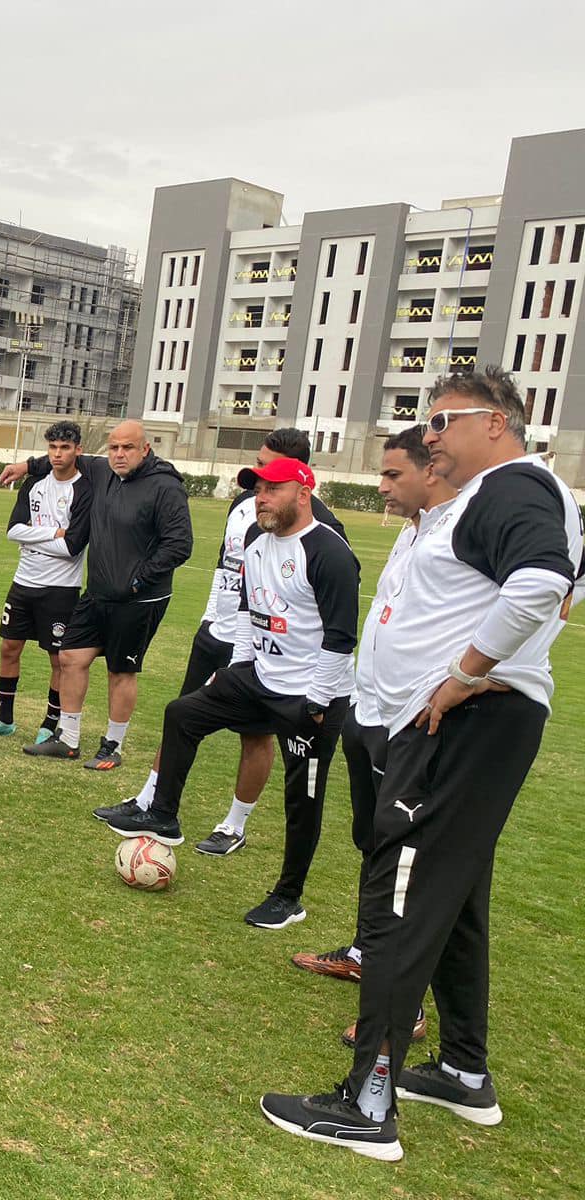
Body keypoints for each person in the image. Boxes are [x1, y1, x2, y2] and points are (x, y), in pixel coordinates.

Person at [262, 367, 583, 1161]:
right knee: (456, 895)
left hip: (460, 725)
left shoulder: (512, 484)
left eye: (442, 420)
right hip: (449, 723)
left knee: (399, 898)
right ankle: (463, 1073)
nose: (429, 434)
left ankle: (367, 1106)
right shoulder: (500, 496)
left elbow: (544, 584)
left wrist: (468, 672)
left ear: (497, 423)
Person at [101, 455, 358, 929]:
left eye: (273, 489)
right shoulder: (257, 539)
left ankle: (288, 897)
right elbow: (247, 610)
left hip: (310, 695)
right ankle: (163, 816)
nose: (261, 497)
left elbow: (341, 638)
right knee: (183, 713)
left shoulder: (329, 551)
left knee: (303, 801)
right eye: (257, 488)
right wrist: (238, 670)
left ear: (304, 494)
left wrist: (319, 702)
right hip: (256, 676)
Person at [291, 425, 455, 1050]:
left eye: (393, 475)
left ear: (432, 469)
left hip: (412, 722)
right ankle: (367, 953)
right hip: (368, 709)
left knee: (405, 861)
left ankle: (404, 1006)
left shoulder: (459, 530)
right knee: (373, 843)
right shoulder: (415, 530)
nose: (382, 486)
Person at [0, 419, 192, 768]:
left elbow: (179, 545)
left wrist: (138, 580)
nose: (119, 454)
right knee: (71, 658)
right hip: (97, 593)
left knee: (120, 671)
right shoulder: (102, 471)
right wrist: (23, 466)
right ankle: (68, 739)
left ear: (145, 449)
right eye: (114, 447)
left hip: (139, 598)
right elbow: (58, 460)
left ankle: (112, 746)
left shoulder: (165, 486)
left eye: (127, 448)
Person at [0, 421, 91, 745]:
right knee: (9, 648)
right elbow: (12, 531)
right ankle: (3, 719)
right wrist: (53, 532)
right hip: (23, 582)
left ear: (77, 450)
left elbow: (72, 548)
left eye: (65, 448)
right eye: (52, 447)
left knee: (58, 659)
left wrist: (33, 537)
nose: (57, 454)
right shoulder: (34, 483)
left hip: (61, 589)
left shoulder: (84, 489)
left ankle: (50, 724)